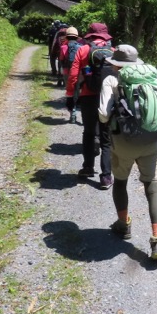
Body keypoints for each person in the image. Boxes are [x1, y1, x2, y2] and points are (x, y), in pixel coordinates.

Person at [98, 45, 157, 261]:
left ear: (115, 64)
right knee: (152, 189)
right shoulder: (153, 76)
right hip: (152, 141)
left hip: (123, 142)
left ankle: (124, 224)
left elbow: (102, 114)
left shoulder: (111, 80)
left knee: (120, 182)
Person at [66, 22, 114, 189]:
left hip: (88, 97)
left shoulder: (83, 49)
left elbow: (73, 75)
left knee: (88, 132)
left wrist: (71, 95)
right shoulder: (113, 52)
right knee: (106, 138)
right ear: (105, 35)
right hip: (107, 98)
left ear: (90, 34)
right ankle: (106, 177)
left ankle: (87, 167)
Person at [59, 26, 80, 122]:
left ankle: (73, 114)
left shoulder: (63, 47)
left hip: (67, 72)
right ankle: (78, 110)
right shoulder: (81, 47)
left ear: (67, 37)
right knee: (78, 91)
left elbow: (61, 60)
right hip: (79, 73)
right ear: (77, 37)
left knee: (70, 91)